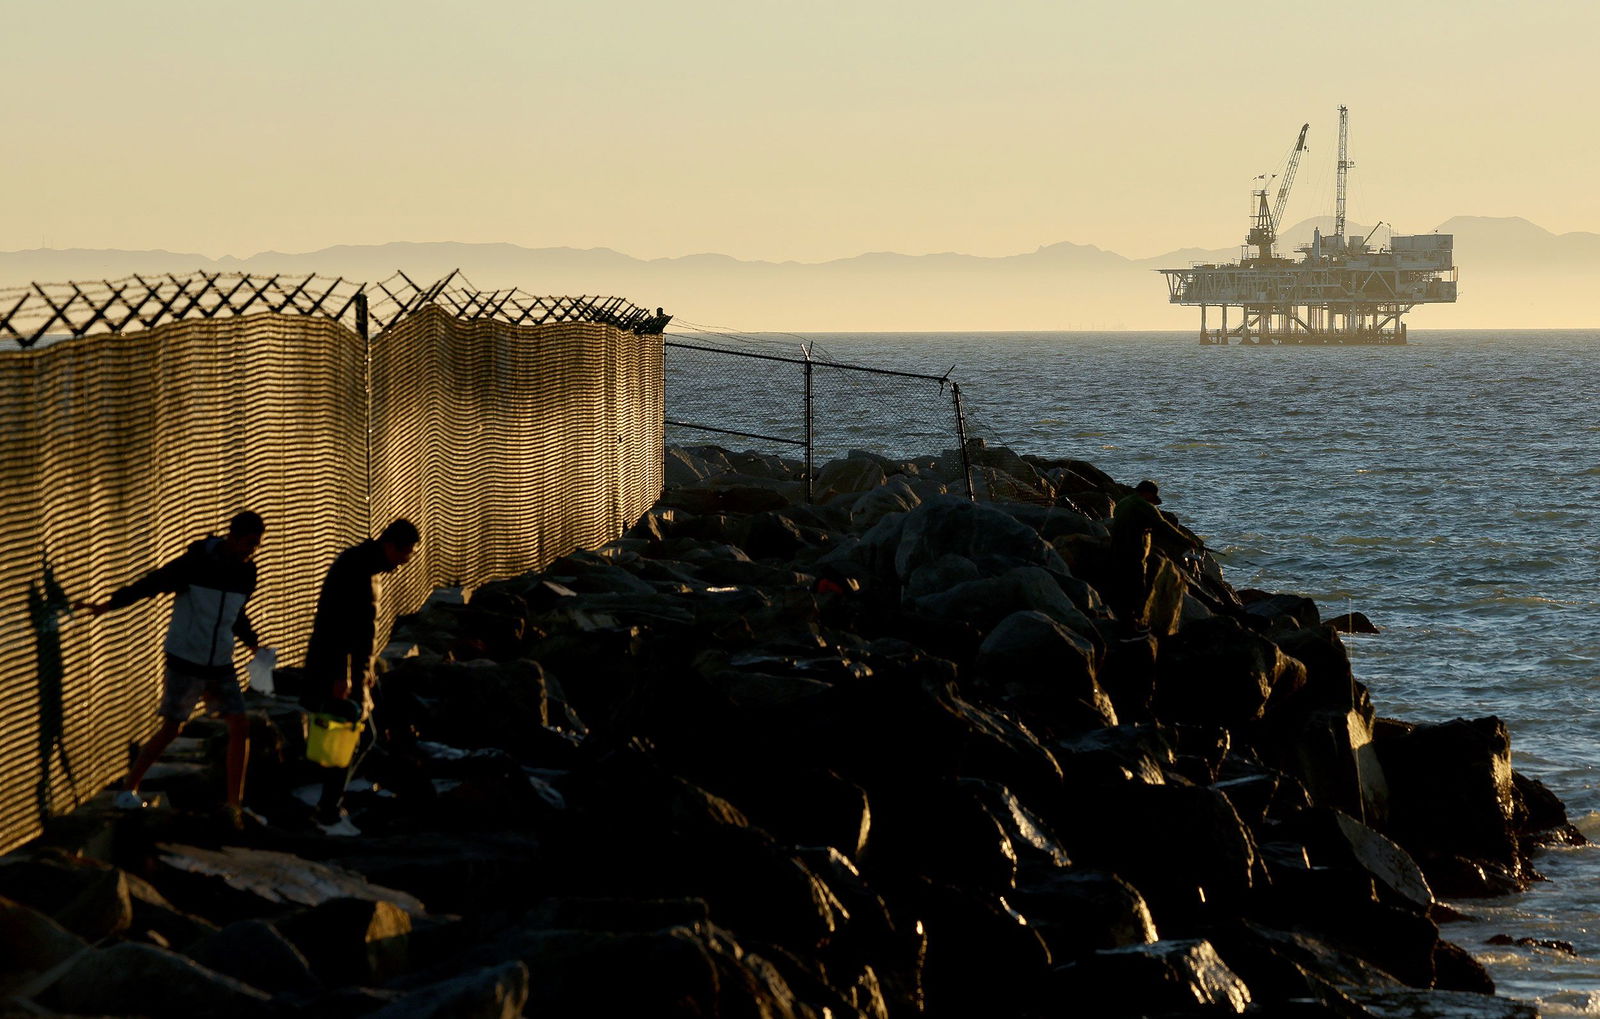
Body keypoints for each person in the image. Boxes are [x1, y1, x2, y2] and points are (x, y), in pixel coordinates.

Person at [78, 511, 266, 814]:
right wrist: (109, 604)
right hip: (185, 658)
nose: (251, 550)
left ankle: (234, 805)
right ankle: (128, 789)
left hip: (219, 662)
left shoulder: (247, 573)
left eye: (256, 545)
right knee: (172, 728)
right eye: (247, 543)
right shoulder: (194, 564)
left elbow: (236, 615)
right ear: (231, 536)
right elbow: (151, 584)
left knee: (240, 725)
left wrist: (254, 644)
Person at [303, 518, 420, 836]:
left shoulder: (364, 566)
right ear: (392, 545)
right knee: (355, 736)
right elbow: (338, 625)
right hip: (338, 672)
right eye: (407, 551)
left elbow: (358, 628)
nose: (407, 559)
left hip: (350, 672)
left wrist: (364, 672)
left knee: (355, 736)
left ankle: (328, 805)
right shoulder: (357, 569)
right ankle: (326, 810)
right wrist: (342, 676)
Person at [1109, 480, 1198, 633]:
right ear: (1148, 494)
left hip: (1116, 549)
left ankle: (1122, 621)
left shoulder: (1122, 503)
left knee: (1122, 588)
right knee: (1137, 588)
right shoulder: (1143, 505)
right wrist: (1187, 541)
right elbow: (1162, 525)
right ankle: (1133, 626)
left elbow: (1133, 523)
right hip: (1134, 552)